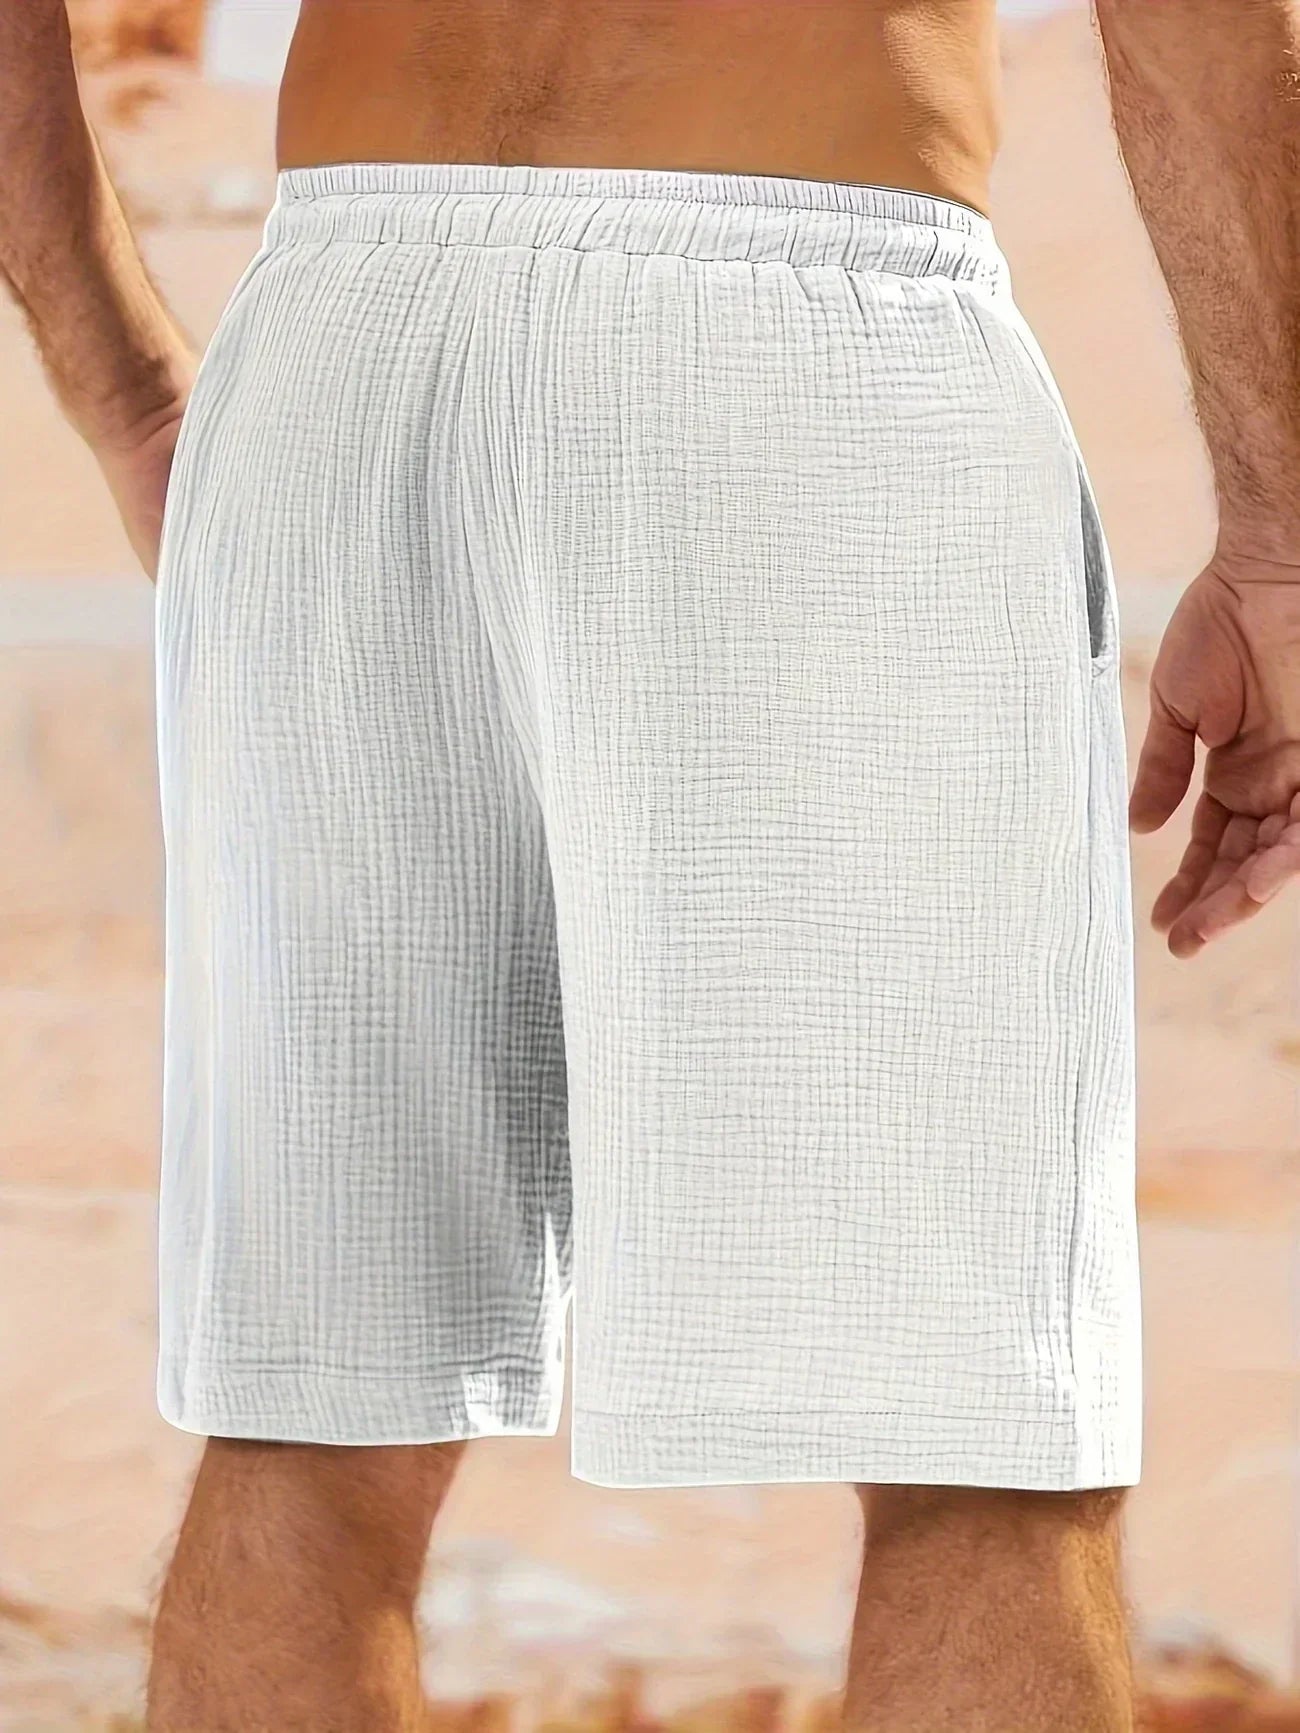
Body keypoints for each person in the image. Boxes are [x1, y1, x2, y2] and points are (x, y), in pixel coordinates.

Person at [3, 2, 1297, 1728]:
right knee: (974, 1444)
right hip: (804, 330)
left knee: (312, 1422)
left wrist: (129, 394)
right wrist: (1281, 534)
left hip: (339, 338)